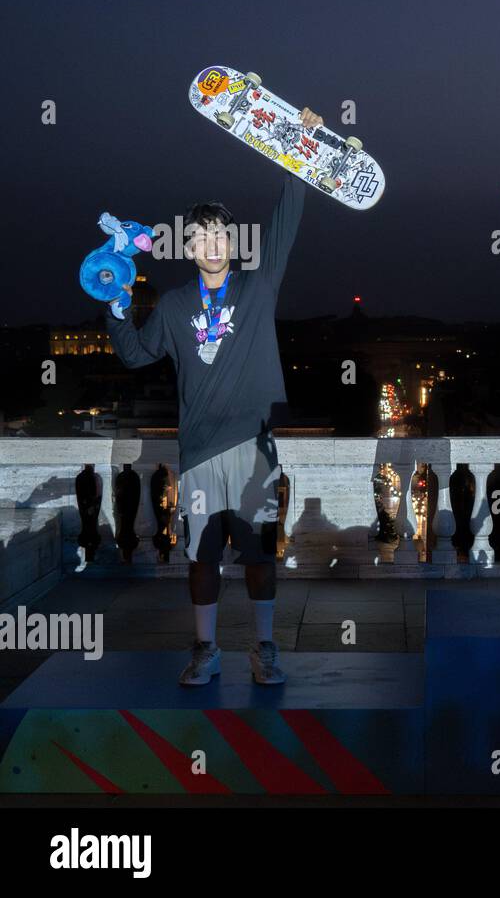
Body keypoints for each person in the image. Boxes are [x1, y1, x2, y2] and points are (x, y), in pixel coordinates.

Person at [105, 107, 324, 685]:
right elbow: (134, 354)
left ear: (233, 240)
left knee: (258, 556)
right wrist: (115, 300)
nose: (211, 242)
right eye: (200, 235)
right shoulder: (175, 306)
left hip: (253, 448)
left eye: (220, 233)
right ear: (190, 245)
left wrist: (299, 146)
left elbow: (287, 217)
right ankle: (205, 650)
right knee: (202, 559)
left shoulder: (258, 285)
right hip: (199, 451)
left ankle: (265, 647)